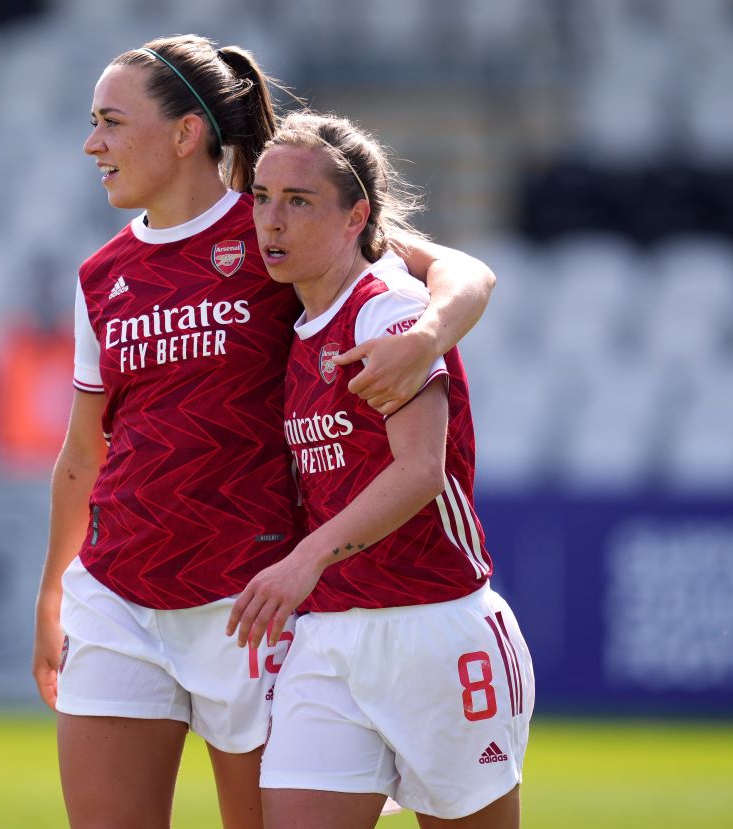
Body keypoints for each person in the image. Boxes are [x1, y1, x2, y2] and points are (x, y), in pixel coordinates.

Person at [30, 35, 498, 829]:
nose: (92, 143)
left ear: (185, 134)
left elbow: (463, 271)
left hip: (250, 601)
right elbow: (83, 454)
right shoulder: (100, 275)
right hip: (116, 594)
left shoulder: (283, 231)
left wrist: (424, 337)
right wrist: (52, 589)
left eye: (110, 121)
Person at [227, 112, 535, 829]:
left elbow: (421, 470)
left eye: (298, 202)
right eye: (262, 198)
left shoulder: (385, 308)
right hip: (330, 635)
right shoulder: (303, 316)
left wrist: (304, 559)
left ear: (354, 216)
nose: (271, 220)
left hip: (435, 629)